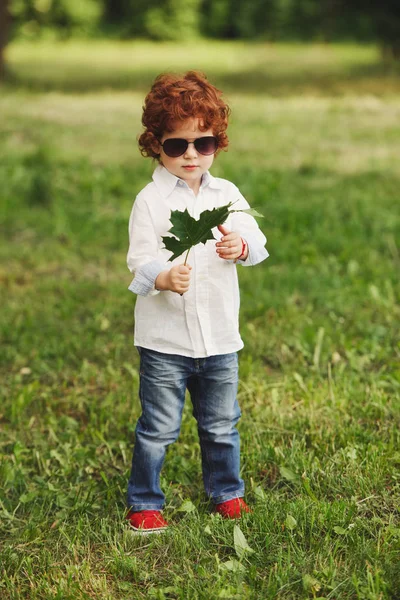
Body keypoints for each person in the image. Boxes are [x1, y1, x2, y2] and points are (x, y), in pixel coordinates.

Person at [126, 71, 269, 534]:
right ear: (155, 145)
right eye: (176, 145)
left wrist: (240, 247)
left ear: (216, 144)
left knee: (222, 425)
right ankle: (145, 500)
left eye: (202, 144)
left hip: (220, 339)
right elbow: (140, 261)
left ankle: (227, 492)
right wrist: (164, 275)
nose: (191, 155)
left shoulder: (226, 195)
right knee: (158, 428)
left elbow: (255, 239)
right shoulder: (150, 201)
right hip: (165, 342)